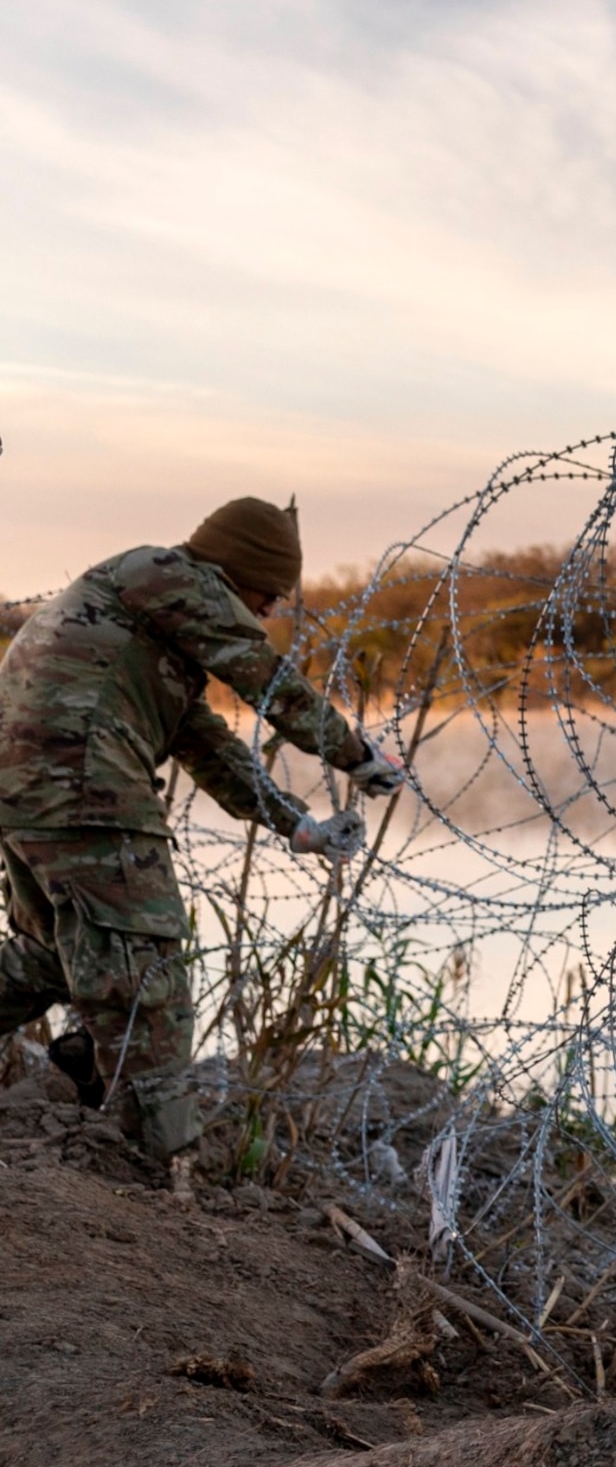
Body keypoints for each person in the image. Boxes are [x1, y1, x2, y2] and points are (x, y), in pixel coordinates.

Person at [0, 497, 401, 1167]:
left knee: (52, 957)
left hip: (25, 793)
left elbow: (205, 744)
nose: (270, 611)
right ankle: (163, 1163)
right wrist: (355, 753)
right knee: (149, 978)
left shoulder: (141, 616)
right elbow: (263, 677)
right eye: (268, 593)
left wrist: (297, 825)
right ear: (234, 571)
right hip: (85, 787)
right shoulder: (171, 575)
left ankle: (124, 1118)